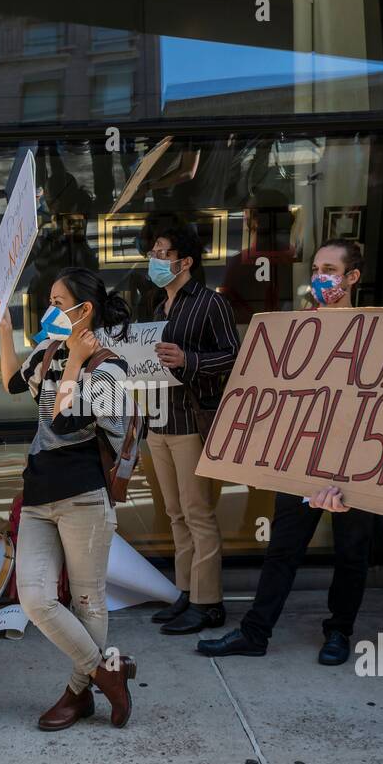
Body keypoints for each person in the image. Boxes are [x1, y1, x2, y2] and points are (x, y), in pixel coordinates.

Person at [197, 240, 378, 665]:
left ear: (353, 277)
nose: (320, 277)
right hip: (303, 458)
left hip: (358, 461)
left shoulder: (377, 331)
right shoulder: (297, 327)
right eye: (316, 268)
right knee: (283, 548)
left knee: (352, 553)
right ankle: (255, 632)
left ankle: (339, 633)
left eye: (330, 269)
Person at [0, 267, 137, 731]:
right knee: (35, 599)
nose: (50, 310)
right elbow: (14, 382)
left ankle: (78, 694)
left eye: (57, 302)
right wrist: (6, 332)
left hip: (84, 499)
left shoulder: (111, 369)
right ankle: (107, 672)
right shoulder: (49, 349)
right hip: (38, 495)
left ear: (83, 309)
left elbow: (65, 421)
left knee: (89, 601)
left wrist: (75, 361)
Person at [144, 225, 240, 635]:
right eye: (153, 250)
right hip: (158, 421)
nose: (155, 258)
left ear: (185, 261)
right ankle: (186, 591)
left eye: (162, 251)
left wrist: (188, 360)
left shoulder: (209, 304)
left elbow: (234, 357)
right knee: (175, 514)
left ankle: (208, 601)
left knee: (198, 513)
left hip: (191, 420)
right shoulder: (155, 304)